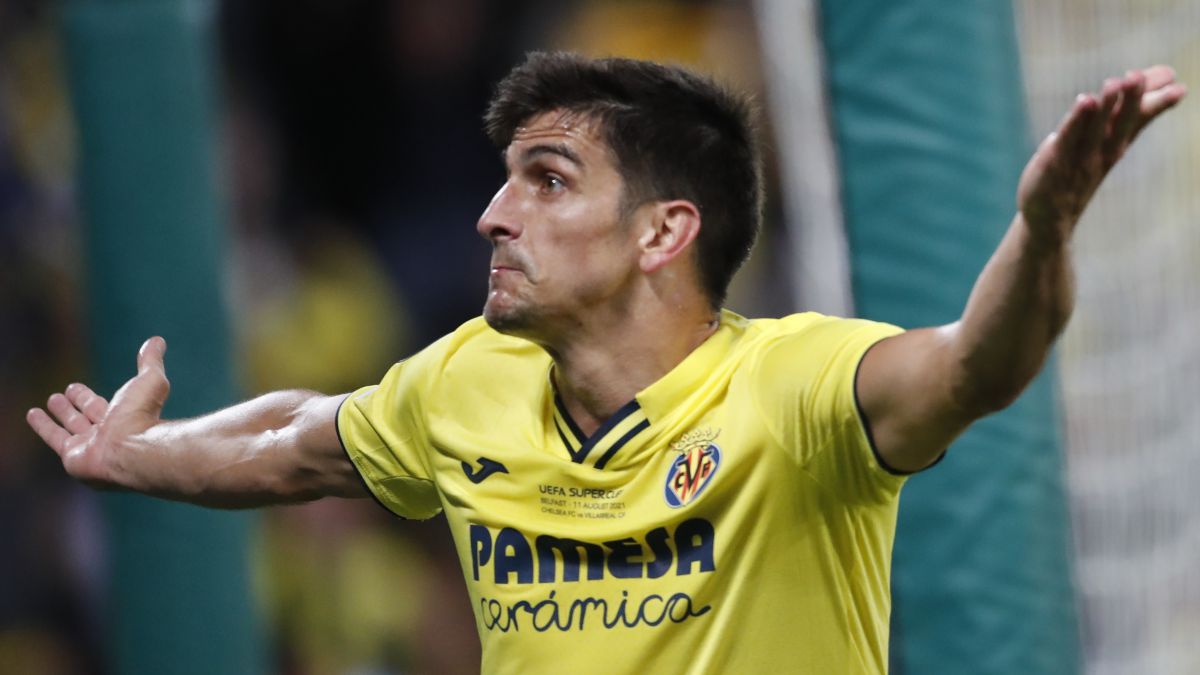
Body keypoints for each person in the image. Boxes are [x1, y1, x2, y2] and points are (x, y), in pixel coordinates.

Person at [26, 53, 1185, 674]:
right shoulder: (466, 381)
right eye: (504, 178)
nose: (491, 216)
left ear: (663, 233)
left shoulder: (792, 389)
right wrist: (138, 453)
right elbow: (292, 440)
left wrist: (1040, 232)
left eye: (546, 180)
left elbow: (979, 367)